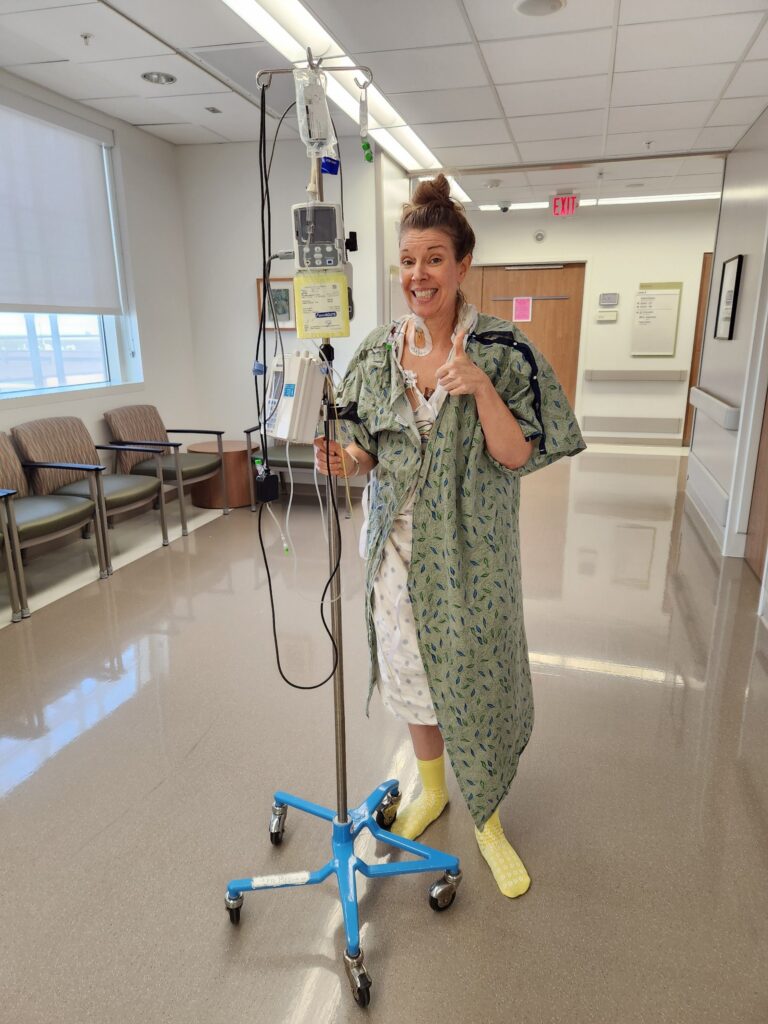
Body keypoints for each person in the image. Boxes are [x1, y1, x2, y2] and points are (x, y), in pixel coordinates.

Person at [314, 174, 585, 898]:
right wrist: (349, 459)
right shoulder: (379, 353)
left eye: (434, 258)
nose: (418, 275)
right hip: (395, 553)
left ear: (463, 263)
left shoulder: (501, 349)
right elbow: (366, 448)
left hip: (472, 555)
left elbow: (518, 454)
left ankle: (488, 816)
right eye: (408, 261)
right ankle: (431, 788)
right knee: (412, 679)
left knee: (477, 676)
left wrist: (480, 387)